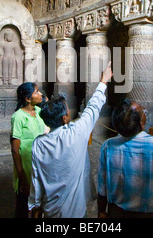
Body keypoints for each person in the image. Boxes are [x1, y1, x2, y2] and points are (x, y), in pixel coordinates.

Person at [29, 62, 113, 218]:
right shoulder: (75, 134)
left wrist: (35, 204)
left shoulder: (38, 144)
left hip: (50, 209)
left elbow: (36, 177)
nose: (69, 110)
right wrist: (104, 81)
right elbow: (93, 108)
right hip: (75, 211)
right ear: (65, 117)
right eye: (67, 109)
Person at [97, 99, 153, 218]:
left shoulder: (108, 147)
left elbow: (102, 188)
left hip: (118, 213)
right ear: (141, 123)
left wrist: (101, 212)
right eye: (142, 112)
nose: (145, 112)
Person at [11, 82, 48, 218]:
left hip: (38, 163)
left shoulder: (38, 112)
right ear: (27, 98)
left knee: (38, 204)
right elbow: (15, 150)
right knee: (23, 203)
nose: (40, 94)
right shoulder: (18, 117)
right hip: (26, 167)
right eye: (36, 92)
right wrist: (22, 178)